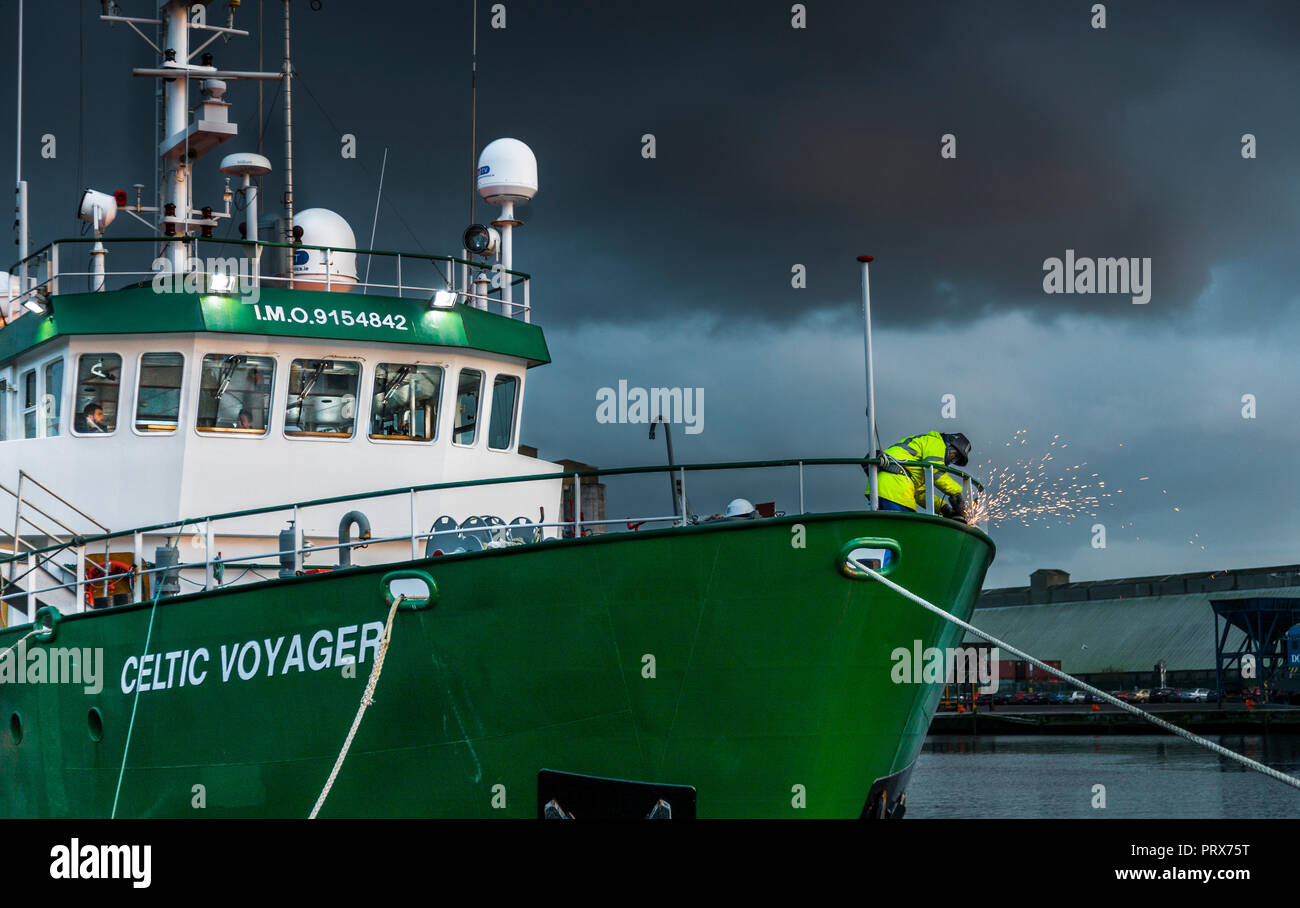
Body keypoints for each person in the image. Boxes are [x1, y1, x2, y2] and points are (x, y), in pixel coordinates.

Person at [866, 431, 971, 520]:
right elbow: (937, 473)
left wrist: (944, 508)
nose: (952, 459)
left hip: (887, 488)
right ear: (949, 445)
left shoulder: (916, 469)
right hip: (895, 490)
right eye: (954, 455)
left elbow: (920, 493)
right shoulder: (936, 442)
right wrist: (957, 494)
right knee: (903, 532)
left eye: (955, 460)